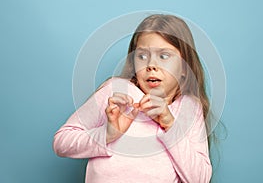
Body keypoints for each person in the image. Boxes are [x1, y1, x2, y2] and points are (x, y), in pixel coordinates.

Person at [53, 14, 213, 182]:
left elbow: (200, 178)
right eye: (142, 56)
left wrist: (170, 124)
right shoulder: (116, 93)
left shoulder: (189, 108)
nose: (151, 65)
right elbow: (61, 141)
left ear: (185, 68)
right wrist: (107, 134)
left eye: (164, 56)